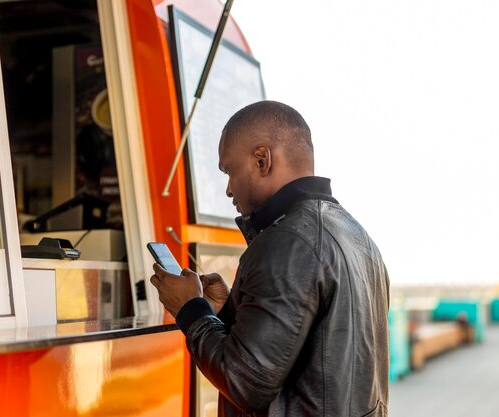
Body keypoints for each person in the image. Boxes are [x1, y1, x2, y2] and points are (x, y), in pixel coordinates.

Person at [150, 100, 390, 417]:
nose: (227, 189)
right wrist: (227, 311)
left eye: (229, 170)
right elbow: (306, 351)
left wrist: (191, 310)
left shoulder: (287, 242)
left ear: (262, 160)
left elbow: (245, 382)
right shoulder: (356, 235)